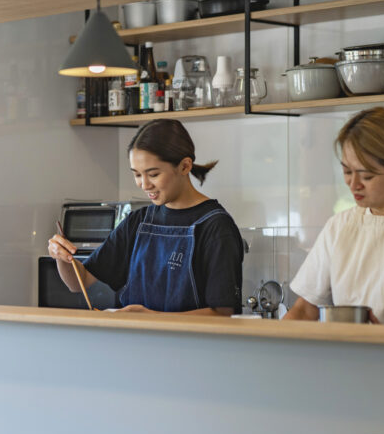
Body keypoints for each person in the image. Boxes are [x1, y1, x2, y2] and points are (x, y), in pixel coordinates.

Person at [47, 119, 243, 314]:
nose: (144, 184)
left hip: (188, 345)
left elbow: (223, 314)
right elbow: (78, 281)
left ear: (184, 166)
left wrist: (152, 319)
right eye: (137, 175)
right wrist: (62, 257)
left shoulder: (216, 227)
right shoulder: (138, 221)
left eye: (153, 174)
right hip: (135, 343)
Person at [283, 107, 384, 324]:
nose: (353, 184)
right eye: (347, 172)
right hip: (346, 354)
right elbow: (304, 310)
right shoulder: (340, 226)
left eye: (367, 176)